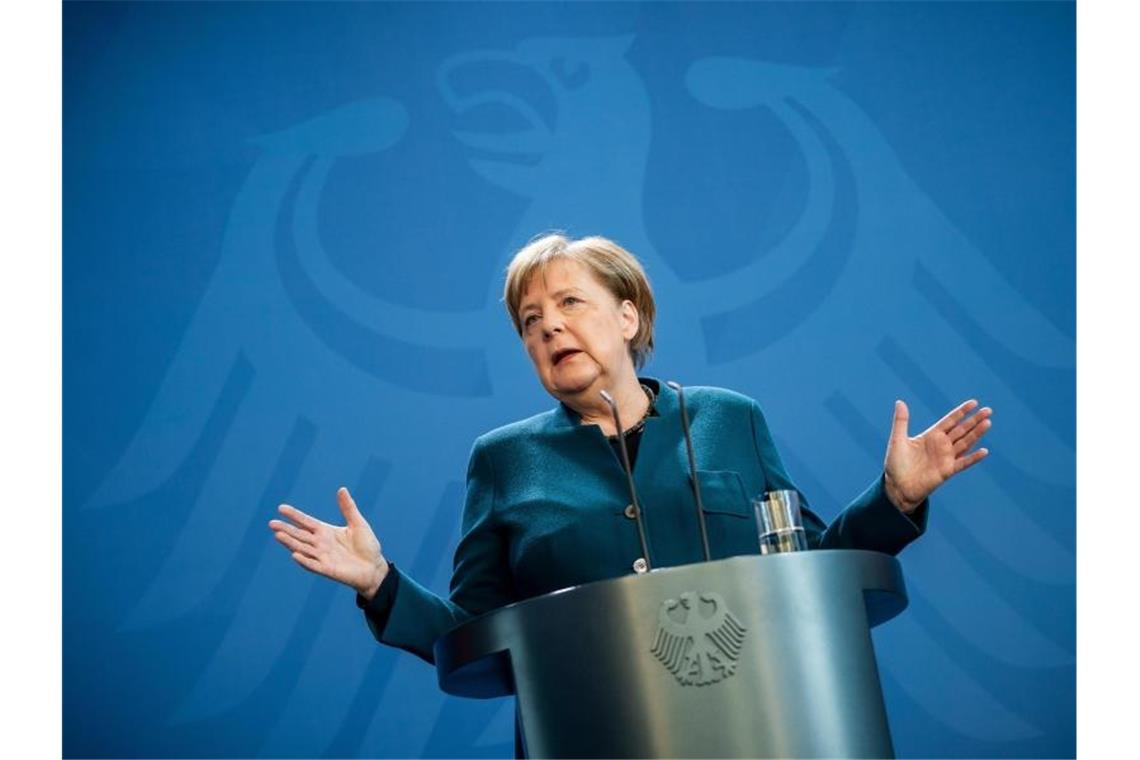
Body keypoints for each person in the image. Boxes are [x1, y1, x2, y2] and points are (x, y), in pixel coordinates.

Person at [268, 232, 992, 665]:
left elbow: (804, 572)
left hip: (760, 721)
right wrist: (380, 582)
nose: (548, 328)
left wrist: (896, 498)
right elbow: (476, 633)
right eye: (529, 321)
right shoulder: (503, 460)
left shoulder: (729, 419)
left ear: (628, 314)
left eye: (569, 304)